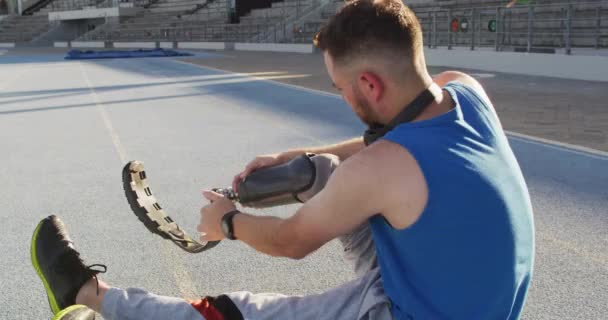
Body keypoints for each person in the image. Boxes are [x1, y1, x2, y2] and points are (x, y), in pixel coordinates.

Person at [31, 0, 535, 319]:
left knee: (239, 313)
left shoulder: (387, 167)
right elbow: (385, 150)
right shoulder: (463, 92)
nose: (342, 98)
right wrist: (299, 158)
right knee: (323, 172)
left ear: (369, 84)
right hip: (461, 292)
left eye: (340, 89)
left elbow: (291, 243)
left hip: (409, 311)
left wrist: (227, 223)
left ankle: (86, 295)